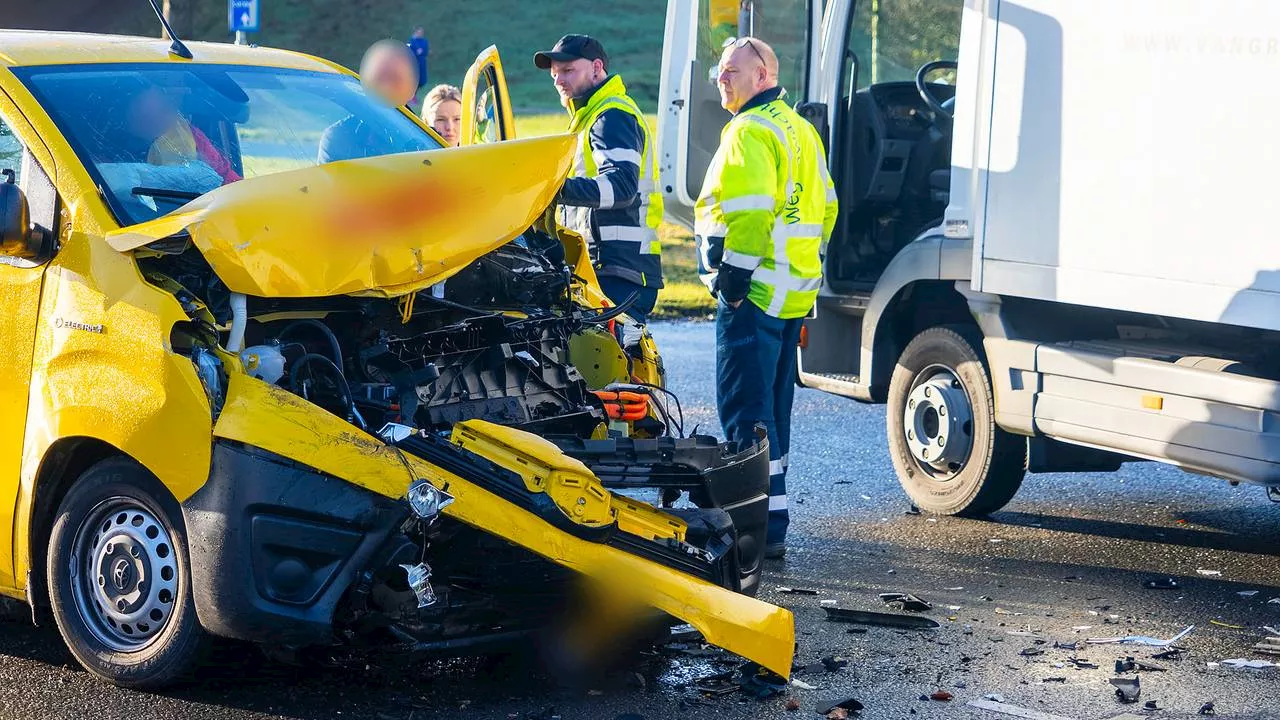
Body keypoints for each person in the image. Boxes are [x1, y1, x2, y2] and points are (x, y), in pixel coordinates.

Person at [695, 37, 838, 559]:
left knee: (745, 417)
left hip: (751, 297)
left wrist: (732, 281)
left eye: (731, 71)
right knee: (773, 417)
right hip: (791, 295)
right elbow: (827, 208)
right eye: (719, 69)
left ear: (762, 77)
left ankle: (750, 534)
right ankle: (771, 526)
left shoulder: (748, 131)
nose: (721, 78)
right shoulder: (799, 129)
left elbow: (751, 215)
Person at [534, 34, 664, 331]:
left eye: (568, 71)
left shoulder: (611, 116)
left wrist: (553, 188)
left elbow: (621, 188)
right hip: (611, 267)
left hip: (618, 270)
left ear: (596, 67)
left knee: (611, 371)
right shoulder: (591, 116)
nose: (558, 80)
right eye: (555, 74)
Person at [318, 39, 420, 164]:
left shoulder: (428, 142)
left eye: (395, 79)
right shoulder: (339, 137)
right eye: (379, 78)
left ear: (412, 89)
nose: (386, 88)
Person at [407, 26, 430, 100]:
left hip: (422, 63)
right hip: (414, 63)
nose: (420, 33)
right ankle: (412, 97)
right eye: (419, 32)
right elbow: (409, 50)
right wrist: (416, 53)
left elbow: (426, 51)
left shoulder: (424, 41)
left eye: (421, 32)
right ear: (416, 32)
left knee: (421, 80)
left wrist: (422, 52)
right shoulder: (411, 41)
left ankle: (414, 96)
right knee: (414, 79)